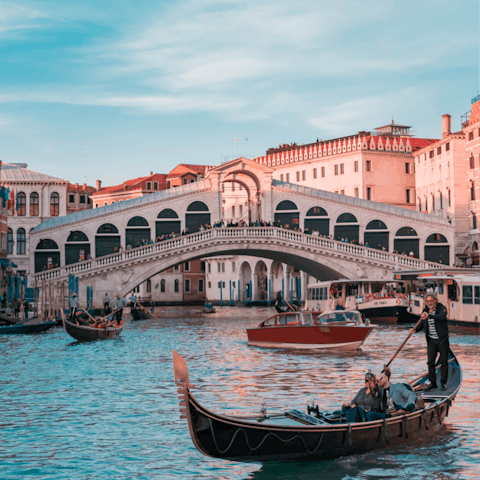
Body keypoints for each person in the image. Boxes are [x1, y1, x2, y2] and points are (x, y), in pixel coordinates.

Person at [410, 294, 449, 391]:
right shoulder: (425, 311)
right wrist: (415, 330)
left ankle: (443, 382)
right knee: (430, 362)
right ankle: (433, 382)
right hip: (431, 341)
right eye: (427, 301)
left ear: (435, 300)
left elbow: (442, 317)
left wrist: (430, 315)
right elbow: (422, 324)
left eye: (431, 301)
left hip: (442, 341)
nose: (429, 303)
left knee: (444, 362)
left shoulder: (441, 308)